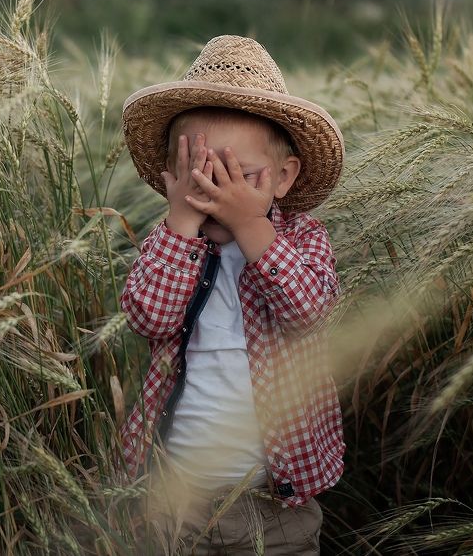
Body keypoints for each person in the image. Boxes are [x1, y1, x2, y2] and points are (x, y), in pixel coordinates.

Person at [117, 35, 346, 555]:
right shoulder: (172, 242)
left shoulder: (303, 240)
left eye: (239, 179)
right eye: (202, 179)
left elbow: (308, 310)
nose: (221, 197)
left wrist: (251, 226)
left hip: (276, 504)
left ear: (284, 178)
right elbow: (147, 316)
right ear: (172, 178)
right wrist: (180, 221)